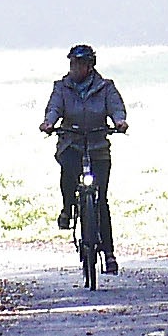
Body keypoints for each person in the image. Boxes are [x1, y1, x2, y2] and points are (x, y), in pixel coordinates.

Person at [43, 42, 130, 234]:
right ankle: (68, 208)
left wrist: (119, 121)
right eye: (72, 64)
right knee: (68, 169)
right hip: (71, 144)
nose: (74, 68)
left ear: (90, 66)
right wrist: (49, 123)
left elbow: (116, 107)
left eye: (78, 64)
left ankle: (108, 253)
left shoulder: (106, 87)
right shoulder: (62, 87)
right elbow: (54, 107)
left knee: (101, 201)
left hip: (98, 146)